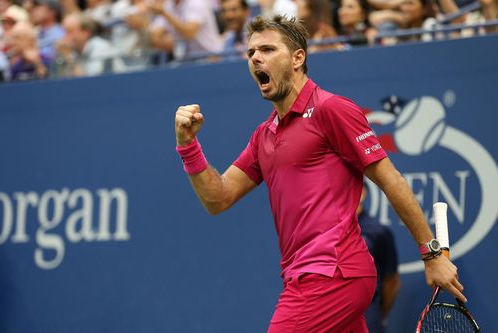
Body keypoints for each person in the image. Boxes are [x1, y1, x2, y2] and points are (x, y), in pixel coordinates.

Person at [174, 14, 465, 332]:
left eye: (268, 49)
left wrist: (431, 253)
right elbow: (218, 198)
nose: (256, 57)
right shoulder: (263, 135)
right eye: (251, 52)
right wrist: (188, 146)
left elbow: (391, 180)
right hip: (304, 275)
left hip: (333, 273)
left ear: (298, 57)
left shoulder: (331, 110)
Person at [357, 185, 400, 333]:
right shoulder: (327, 231)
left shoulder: (379, 232)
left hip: (369, 313)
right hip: (332, 313)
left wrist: (376, 315)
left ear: (362, 193)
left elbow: (391, 281)